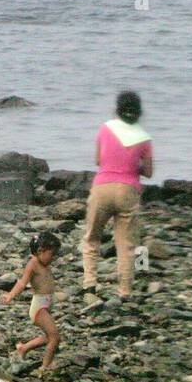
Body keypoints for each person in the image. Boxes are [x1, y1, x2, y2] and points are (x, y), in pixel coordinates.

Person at [82, 91, 152, 297]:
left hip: (102, 187)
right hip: (128, 191)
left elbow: (98, 160)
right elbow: (148, 172)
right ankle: (124, 291)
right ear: (139, 112)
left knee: (92, 238)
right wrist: (132, 169)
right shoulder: (144, 138)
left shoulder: (105, 129)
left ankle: (89, 284)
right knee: (126, 244)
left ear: (117, 109)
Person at [1, 231, 61, 374]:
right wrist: (10, 295)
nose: (53, 258)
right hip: (39, 306)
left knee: (48, 336)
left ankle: (24, 348)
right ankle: (45, 367)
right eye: (52, 254)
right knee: (55, 338)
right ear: (40, 251)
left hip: (46, 303)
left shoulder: (44, 263)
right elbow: (22, 283)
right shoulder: (33, 263)